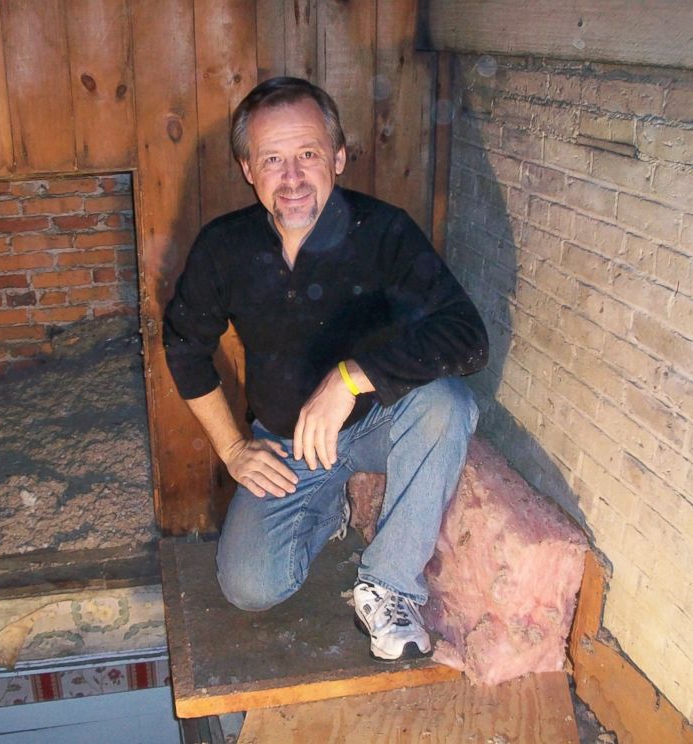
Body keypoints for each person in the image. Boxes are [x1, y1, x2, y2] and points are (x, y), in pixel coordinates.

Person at [163, 77, 488, 662]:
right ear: (247, 170)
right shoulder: (224, 248)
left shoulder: (383, 231)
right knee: (247, 589)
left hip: (381, 424)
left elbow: (466, 336)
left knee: (448, 403)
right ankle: (327, 505)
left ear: (338, 157)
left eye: (308, 154)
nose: (292, 178)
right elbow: (184, 345)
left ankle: (388, 584)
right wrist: (234, 449)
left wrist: (349, 378)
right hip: (289, 440)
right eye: (272, 160)